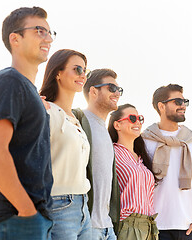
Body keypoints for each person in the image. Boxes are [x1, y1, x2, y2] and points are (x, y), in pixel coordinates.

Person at [0, 7, 55, 240]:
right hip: (14, 217)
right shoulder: (9, 82)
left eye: (50, 33)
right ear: (15, 39)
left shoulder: (27, 89)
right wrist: (27, 211)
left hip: (31, 217)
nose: (48, 38)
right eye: (39, 31)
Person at [142, 84, 192, 240]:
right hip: (153, 226)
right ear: (161, 106)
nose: (183, 106)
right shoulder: (144, 140)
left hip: (188, 228)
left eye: (185, 101)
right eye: (178, 101)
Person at [39, 49, 92, 239]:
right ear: (58, 73)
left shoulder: (75, 119)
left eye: (85, 70)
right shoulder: (46, 111)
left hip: (83, 207)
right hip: (58, 205)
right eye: (77, 69)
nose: (82, 75)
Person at [72, 69, 122, 240]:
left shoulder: (105, 130)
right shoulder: (76, 119)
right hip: (87, 227)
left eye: (119, 90)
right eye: (112, 88)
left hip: (107, 227)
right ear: (93, 91)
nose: (117, 93)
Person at [108, 104, 161, 240]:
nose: (137, 122)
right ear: (117, 125)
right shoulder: (111, 152)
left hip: (149, 227)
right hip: (128, 226)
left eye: (139, 118)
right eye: (132, 118)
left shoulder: (141, 158)